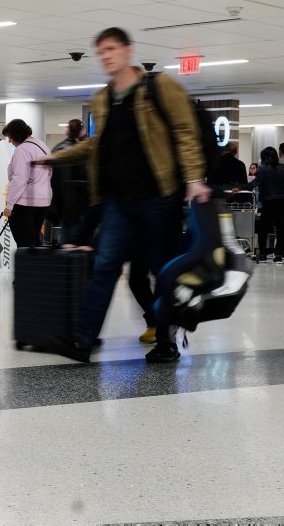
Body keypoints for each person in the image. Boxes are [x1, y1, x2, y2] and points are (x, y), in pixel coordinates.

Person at [43, 27, 209, 364]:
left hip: (158, 196)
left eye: (111, 49)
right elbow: (96, 145)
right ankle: (82, 340)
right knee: (104, 266)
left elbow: (185, 132)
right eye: (101, 51)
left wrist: (193, 178)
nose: (106, 56)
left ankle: (166, 340)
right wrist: (56, 158)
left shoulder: (160, 87)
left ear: (128, 51)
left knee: (161, 270)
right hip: (118, 200)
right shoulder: (102, 98)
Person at [235, 147, 284, 264]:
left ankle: (262, 253)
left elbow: (254, 183)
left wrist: (240, 187)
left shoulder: (263, 169)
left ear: (264, 158)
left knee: (264, 229)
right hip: (283, 202)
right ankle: (278, 254)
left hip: (268, 203)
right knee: (281, 229)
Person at [2, 119, 52, 248]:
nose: (10, 141)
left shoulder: (22, 149)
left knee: (24, 244)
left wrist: (9, 205)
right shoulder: (43, 146)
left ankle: (27, 262)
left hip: (25, 203)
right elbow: (49, 173)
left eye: (10, 137)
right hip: (43, 202)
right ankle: (35, 261)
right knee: (34, 242)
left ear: (16, 134)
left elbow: (19, 179)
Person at [49, 119, 89, 245]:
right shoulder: (76, 151)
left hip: (60, 199)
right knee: (71, 234)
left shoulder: (58, 149)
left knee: (67, 232)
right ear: (81, 132)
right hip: (75, 200)